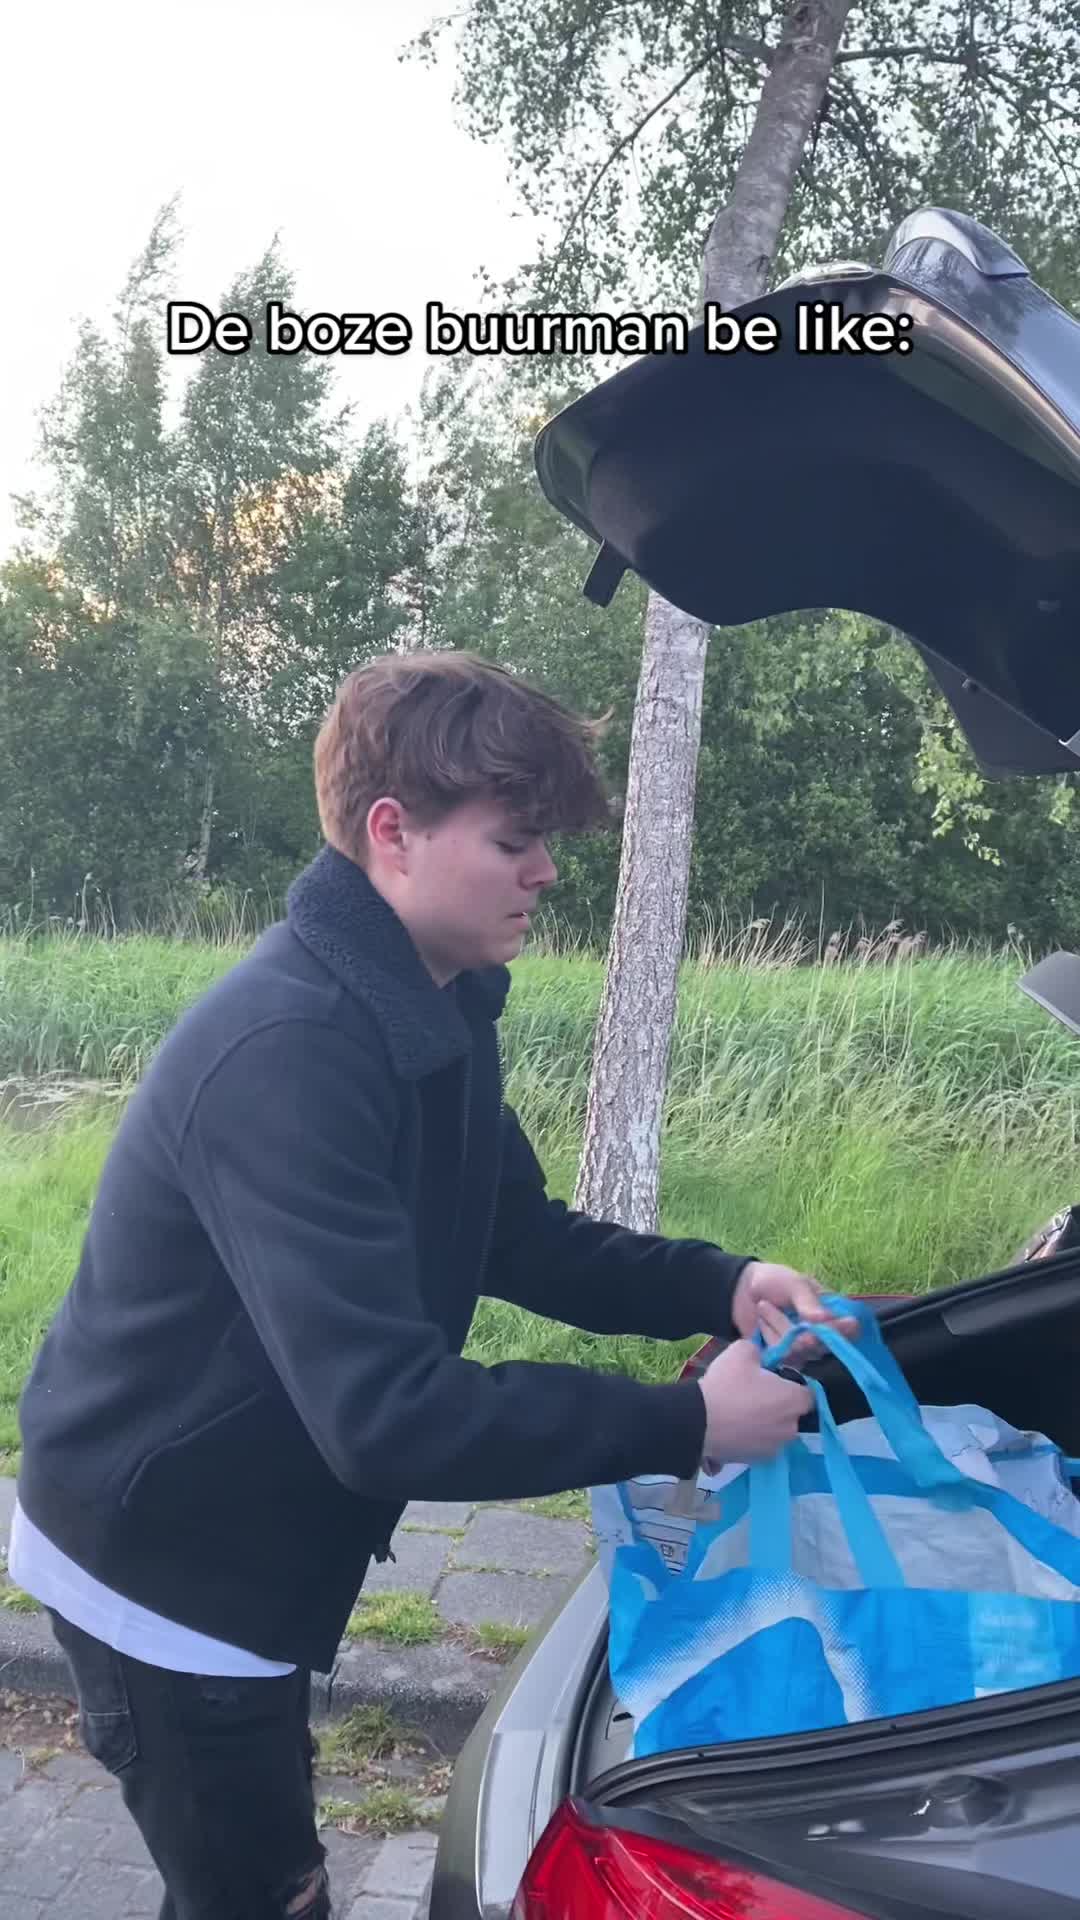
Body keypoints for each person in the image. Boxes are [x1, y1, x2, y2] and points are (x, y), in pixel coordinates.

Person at [10, 650, 851, 1919]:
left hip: (260, 1522)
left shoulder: (431, 1005)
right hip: (168, 1562)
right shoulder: (289, 1053)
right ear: (392, 834)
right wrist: (687, 1423)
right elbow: (388, 1414)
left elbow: (517, 1236)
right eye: (515, 840)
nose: (547, 872)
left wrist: (720, 1285)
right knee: (263, 1893)